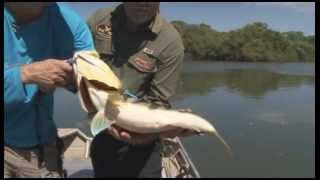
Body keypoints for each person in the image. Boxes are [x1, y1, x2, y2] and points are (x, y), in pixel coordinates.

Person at [87, 2, 190, 178]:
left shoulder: (170, 41)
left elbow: (159, 101)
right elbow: (80, 69)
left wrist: (150, 133)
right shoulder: (99, 20)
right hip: (102, 124)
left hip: (143, 138)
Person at [4, 2, 95, 178]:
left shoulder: (70, 24)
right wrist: (25, 74)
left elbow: (94, 82)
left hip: (42, 151)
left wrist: (73, 79)